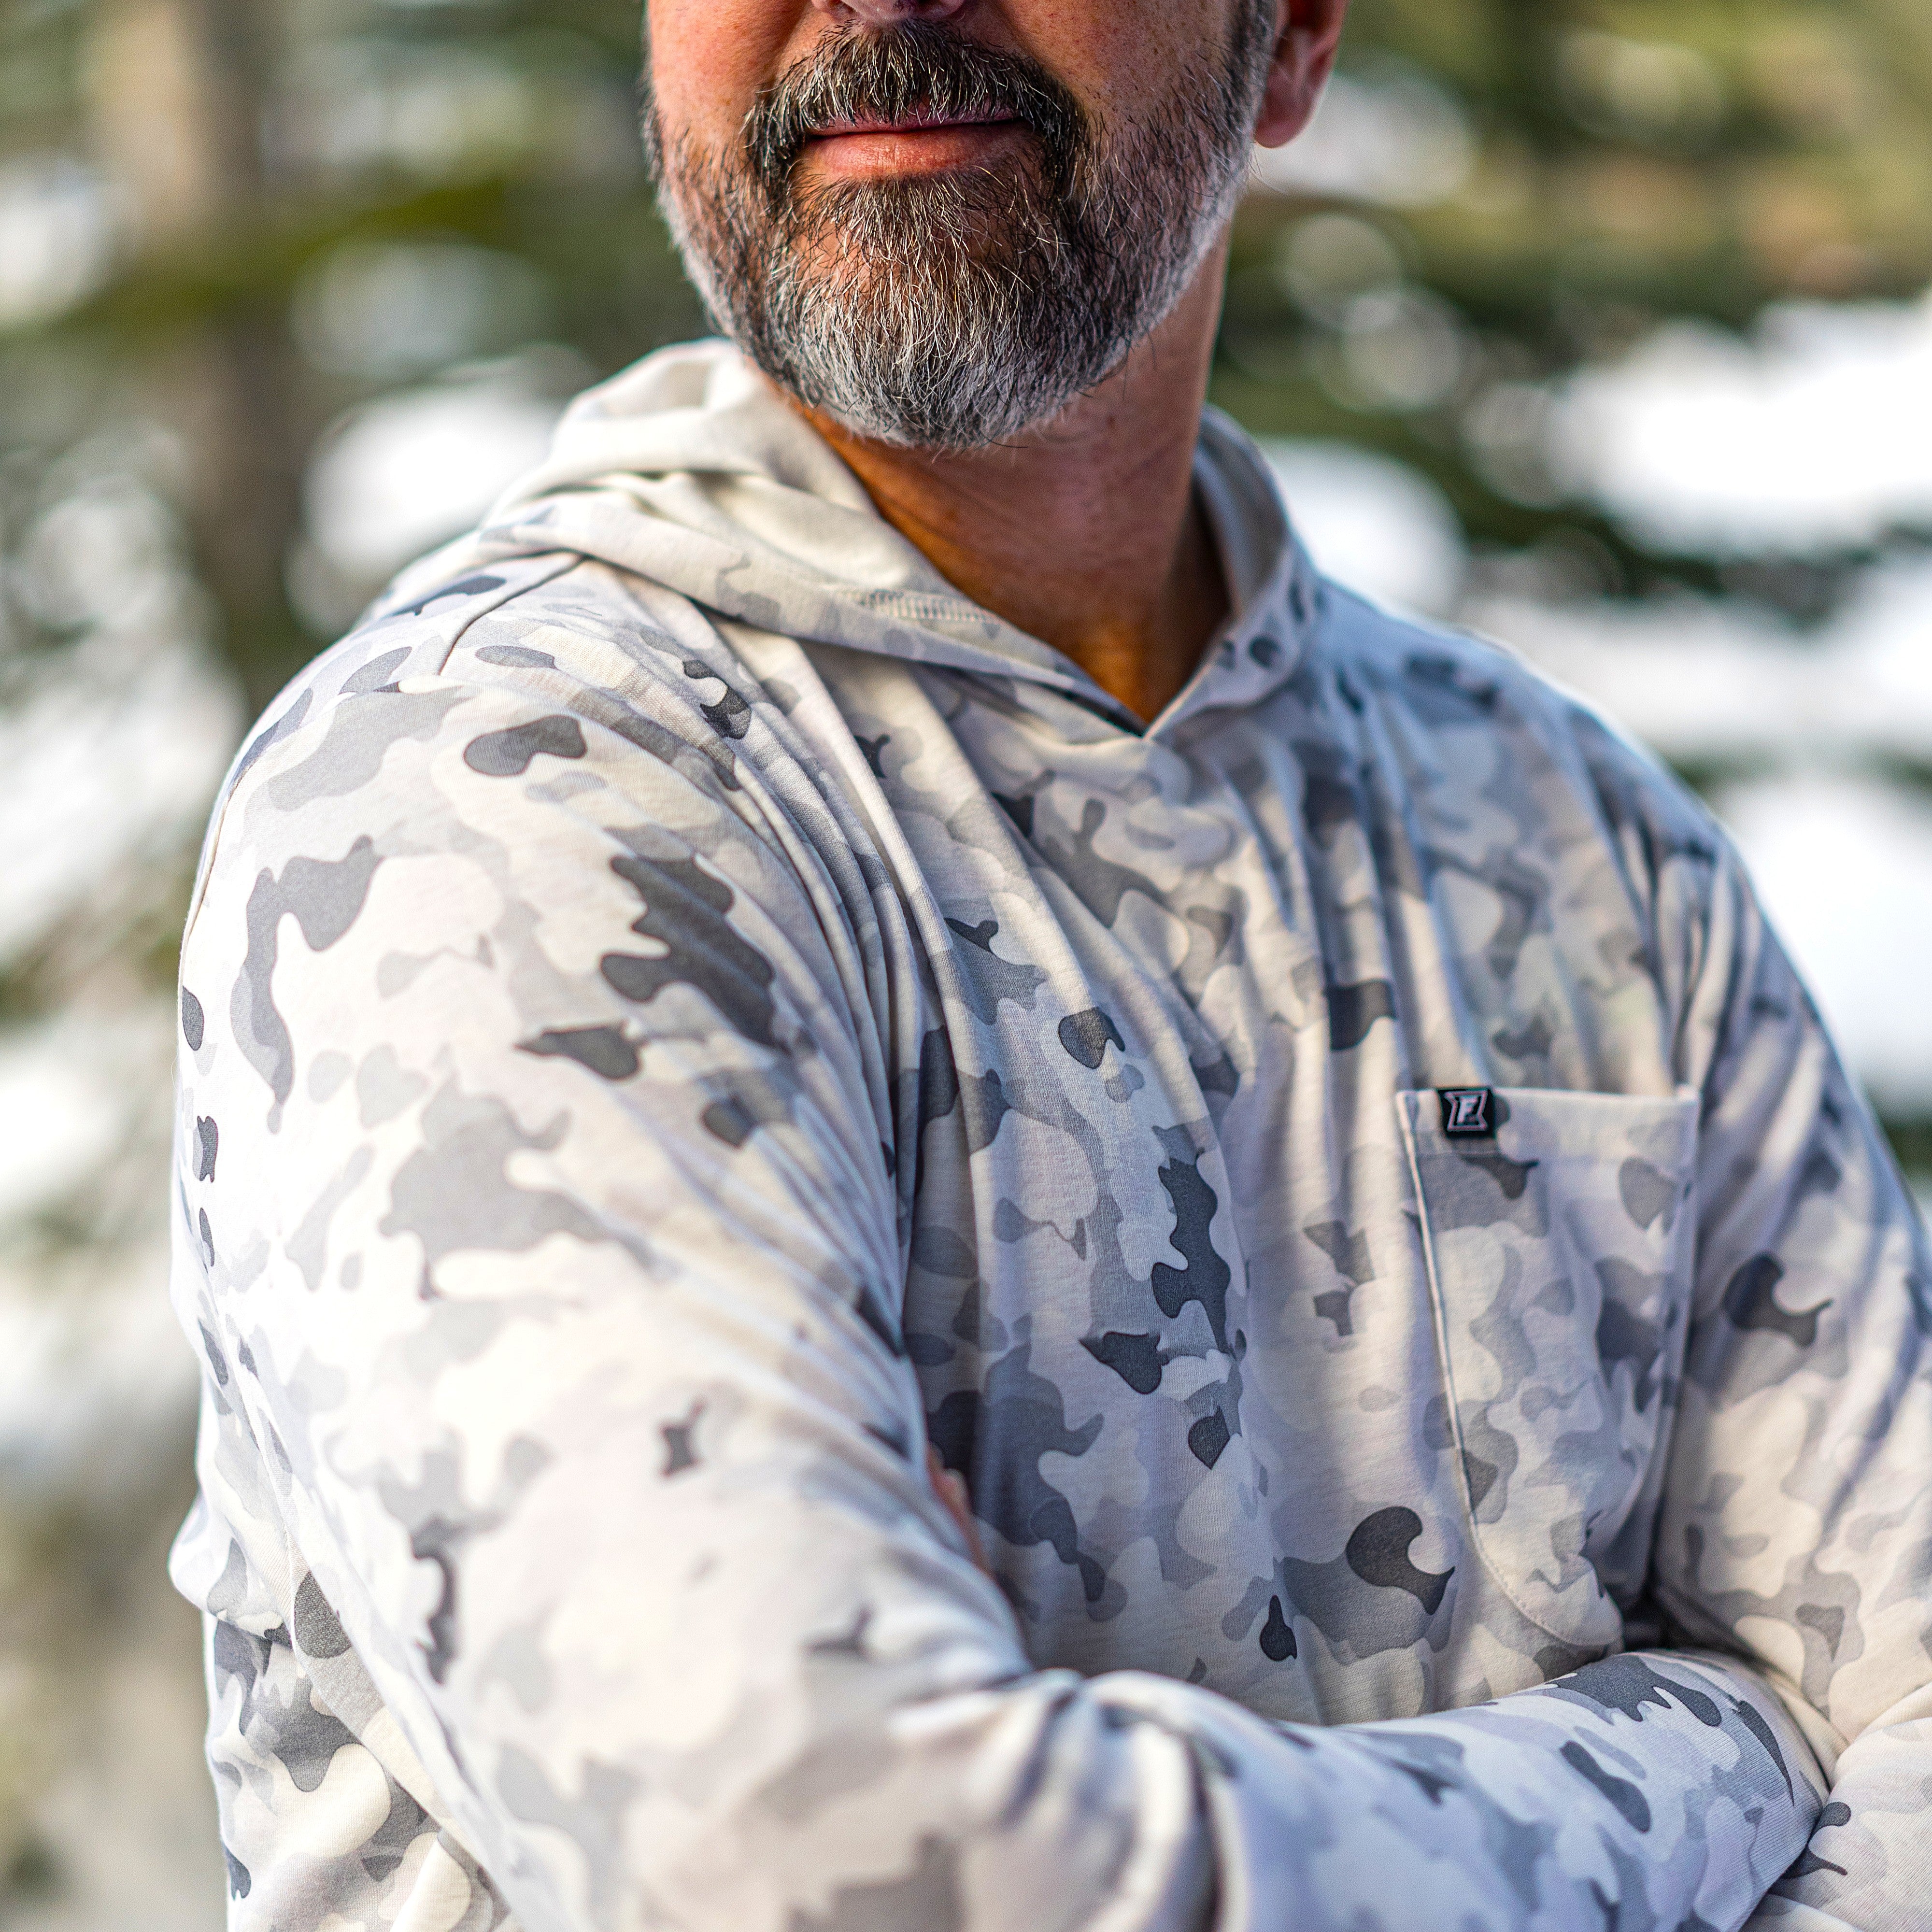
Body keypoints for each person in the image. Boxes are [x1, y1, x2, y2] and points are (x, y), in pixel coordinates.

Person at [168, 2, 1932, 1927]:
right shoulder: (485, 805)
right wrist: (1709, 1747)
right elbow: (837, 1865)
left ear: (1293, 38)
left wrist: (1097, 1790)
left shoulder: (1584, 851)